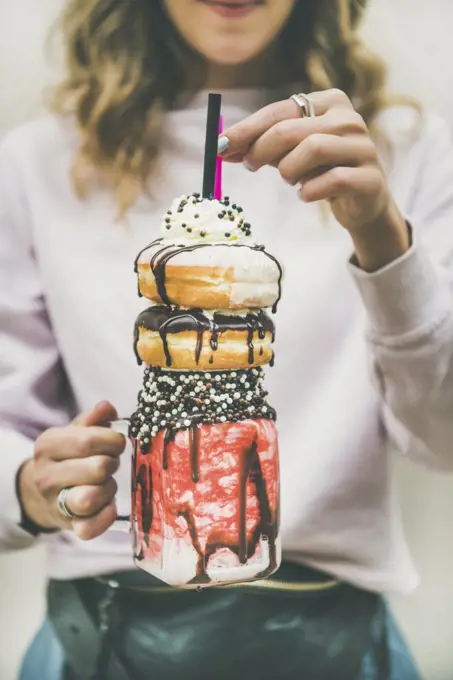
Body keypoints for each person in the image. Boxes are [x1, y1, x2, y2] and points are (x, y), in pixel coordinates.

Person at [1, 0, 452, 677]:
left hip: (335, 638)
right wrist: (33, 487)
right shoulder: (37, 162)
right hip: (103, 637)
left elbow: (443, 438)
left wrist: (382, 235)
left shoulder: (399, 148)